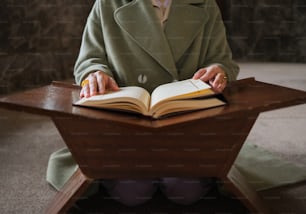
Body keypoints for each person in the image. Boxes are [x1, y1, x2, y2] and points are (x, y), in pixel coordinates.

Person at [47, 0, 239, 207]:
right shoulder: (106, 4)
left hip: (186, 124)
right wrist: (94, 74)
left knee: (185, 191)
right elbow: (89, 58)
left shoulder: (206, 5)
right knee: (132, 191)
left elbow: (222, 59)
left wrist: (219, 70)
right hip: (125, 124)